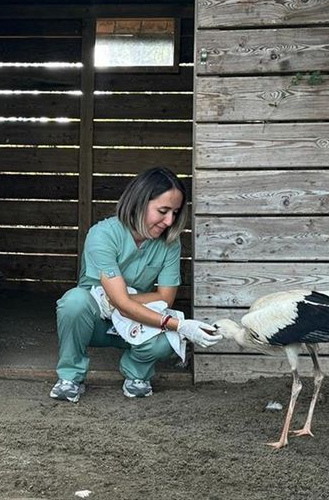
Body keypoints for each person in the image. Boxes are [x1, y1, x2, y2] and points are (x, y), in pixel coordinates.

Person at [49, 167, 220, 402]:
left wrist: (122, 301)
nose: (169, 221)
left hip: (135, 322)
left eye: (175, 212)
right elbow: (132, 300)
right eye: (163, 211)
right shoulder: (102, 234)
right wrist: (178, 323)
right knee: (74, 302)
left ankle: (136, 374)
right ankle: (70, 377)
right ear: (139, 202)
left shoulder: (170, 242)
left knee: (167, 341)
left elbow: (166, 298)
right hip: (95, 321)